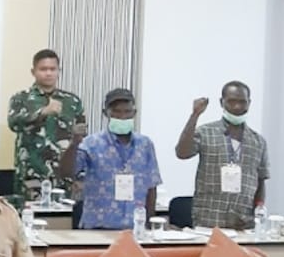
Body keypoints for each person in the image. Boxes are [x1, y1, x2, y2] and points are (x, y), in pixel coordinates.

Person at [61, 88, 161, 230]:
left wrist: (149, 223)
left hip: (134, 227)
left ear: (134, 113)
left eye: (127, 111)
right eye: (116, 112)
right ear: (106, 113)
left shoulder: (145, 144)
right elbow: (66, 172)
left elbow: (151, 186)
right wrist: (74, 144)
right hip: (98, 226)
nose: (122, 116)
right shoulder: (91, 143)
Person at [176, 81, 270, 230]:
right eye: (232, 101)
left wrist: (258, 211)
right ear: (222, 102)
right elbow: (182, 153)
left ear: (249, 103)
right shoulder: (205, 132)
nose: (237, 107)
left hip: (243, 222)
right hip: (209, 220)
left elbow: (261, 180)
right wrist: (195, 115)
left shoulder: (258, 141)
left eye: (242, 102)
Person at [7, 49, 84, 204]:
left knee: (62, 215)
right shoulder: (21, 98)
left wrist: (80, 175)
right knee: (30, 214)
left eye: (52, 69)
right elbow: (13, 123)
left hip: (63, 175)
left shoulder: (72, 101)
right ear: (33, 72)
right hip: (31, 173)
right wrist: (42, 112)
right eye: (43, 69)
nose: (48, 73)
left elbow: (81, 138)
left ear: (58, 71)